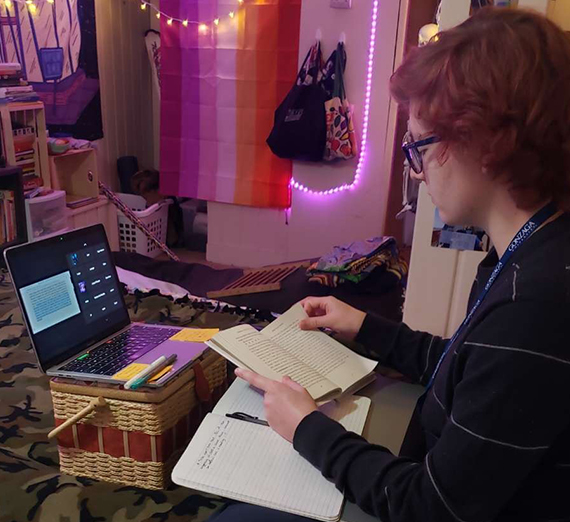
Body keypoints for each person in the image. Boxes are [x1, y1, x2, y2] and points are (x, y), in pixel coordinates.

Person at [209, 7, 570, 522]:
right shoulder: (531, 252)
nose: (416, 173)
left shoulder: (535, 304)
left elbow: (430, 506)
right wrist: (365, 327)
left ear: (485, 145)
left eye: (419, 147)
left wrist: (308, 428)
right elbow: (470, 369)